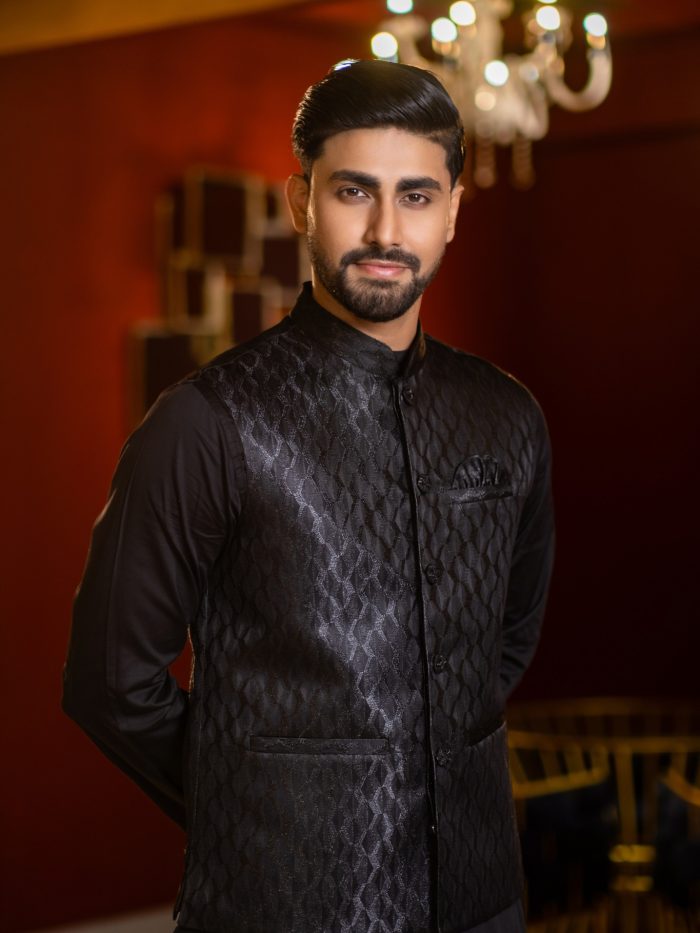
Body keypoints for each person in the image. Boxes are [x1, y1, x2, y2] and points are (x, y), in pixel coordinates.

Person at [63, 60, 554, 933]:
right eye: (353, 191)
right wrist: (262, 803)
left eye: (414, 196)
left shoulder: (507, 414)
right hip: (279, 905)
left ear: (450, 211)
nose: (384, 229)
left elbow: (504, 642)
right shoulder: (206, 421)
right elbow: (110, 680)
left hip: (483, 899)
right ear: (301, 203)